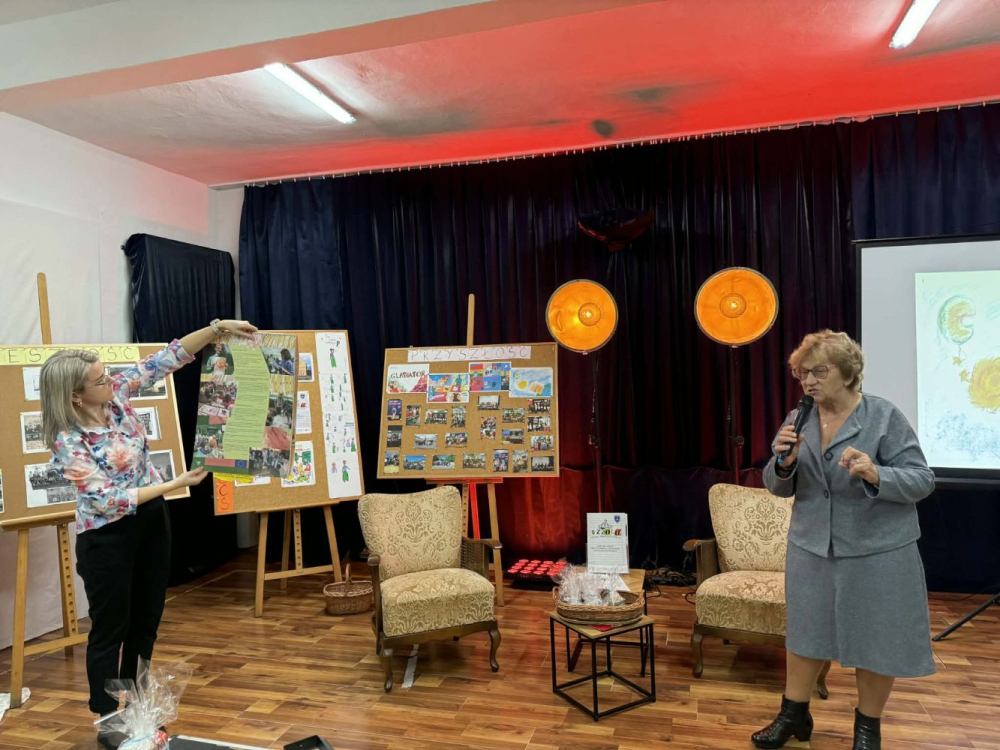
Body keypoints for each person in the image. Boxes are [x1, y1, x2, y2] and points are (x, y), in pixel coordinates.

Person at [40, 319, 257, 748]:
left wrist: (217, 328)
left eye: (107, 374)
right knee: (111, 628)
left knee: (146, 621)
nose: (110, 381)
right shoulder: (66, 439)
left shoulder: (117, 397)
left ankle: (137, 710)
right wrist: (174, 484)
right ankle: (108, 718)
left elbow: (168, 358)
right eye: (100, 380)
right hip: (107, 537)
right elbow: (108, 499)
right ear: (75, 396)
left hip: (152, 522)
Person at [754, 331, 935, 750]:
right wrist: (783, 464)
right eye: (802, 373)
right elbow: (777, 485)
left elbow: (922, 479)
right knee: (806, 634)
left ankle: (867, 728)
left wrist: (876, 473)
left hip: (878, 551)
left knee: (876, 640)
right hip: (812, 547)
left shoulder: (883, 416)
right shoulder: (797, 418)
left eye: (819, 371)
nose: (808, 381)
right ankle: (793, 715)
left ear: (848, 373)